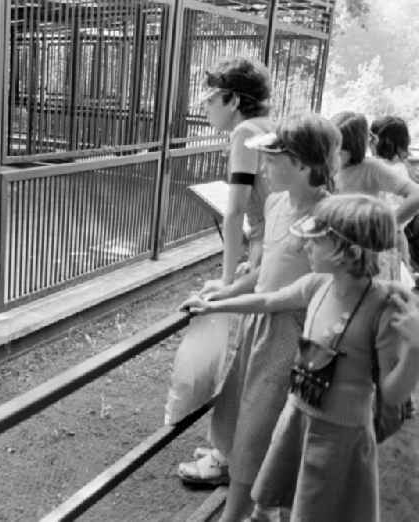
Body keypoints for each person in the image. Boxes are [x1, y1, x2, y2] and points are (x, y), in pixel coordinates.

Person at [182, 194, 419, 522]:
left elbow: (392, 394)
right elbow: (267, 301)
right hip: (297, 421)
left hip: (340, 438)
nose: (304, 245)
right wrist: (214, 306)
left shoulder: (381, 309)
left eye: (315, 240)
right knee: (291, 503)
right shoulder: (316, 285)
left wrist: (415, 351)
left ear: (346, 252)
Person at [181, 113, 341, 521]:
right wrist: (229, 289)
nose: (264, 167)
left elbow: (288, 297)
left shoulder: (327, 220)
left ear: (303, 165)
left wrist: (220, 305)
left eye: (273, 158)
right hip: (258, 328)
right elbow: (266, 268)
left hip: (294, 337)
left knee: (261, 431)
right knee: (241, 418)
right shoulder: (276, 202)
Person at [177, 57, 275, 487]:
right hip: (271, 248)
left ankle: (228, 458)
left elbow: (235, 210)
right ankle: (232, 449)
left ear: (234, 100)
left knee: (251, 356)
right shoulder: (267, 127)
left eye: (213, 98)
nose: (207, 107)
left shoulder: (244, 132)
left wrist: (228, 281)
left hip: (269, 252)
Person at [331, 111, 419, 280]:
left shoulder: (371, 168)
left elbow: (416, 194)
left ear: (354, 148)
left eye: (339, 151)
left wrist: (387, 224)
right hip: (340, 249)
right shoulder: (330, 167)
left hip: (369, 250)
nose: (333, 156)